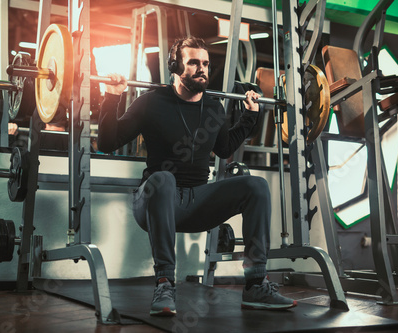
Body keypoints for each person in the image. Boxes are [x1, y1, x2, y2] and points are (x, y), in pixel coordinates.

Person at [97, 36, 297, 316]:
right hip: (155, 201)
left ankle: (255, 284)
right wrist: (111, 96)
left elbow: (225, 148)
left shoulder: (213, 107)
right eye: (193, 63)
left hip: (197, 204)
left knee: (256, 186)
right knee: (164, 178)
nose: (201, 68)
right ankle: (165, 283)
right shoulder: (151, 103)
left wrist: (250, 117)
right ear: (175, 66)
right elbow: (107, 144)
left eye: (205, 63)